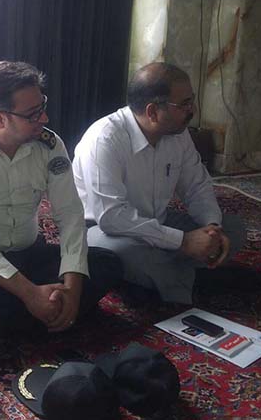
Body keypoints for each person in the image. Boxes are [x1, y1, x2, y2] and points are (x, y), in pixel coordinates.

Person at [0, 61, 121, 340]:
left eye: (42, 106)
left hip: (28, 252)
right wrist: (30, 293)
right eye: (33, 114)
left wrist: (72, 288)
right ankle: (41, 314)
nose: (44, 118)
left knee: (107, 263)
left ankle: (28, 318)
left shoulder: (50, 145)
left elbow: (70, 214)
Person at [72, 62, 246, 305]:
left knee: (233, 228)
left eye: (192, 101)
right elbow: (111, 217)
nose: (193, 110)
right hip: (104, 231)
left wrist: (212, 228)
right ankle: (187, 282)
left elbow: (196, 185)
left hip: (158, 222)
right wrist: (183, 242)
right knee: (121, 254)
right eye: (184, 104)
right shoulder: (104, 139)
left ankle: (159, 280)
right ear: (152, 112)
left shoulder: (178, 133)